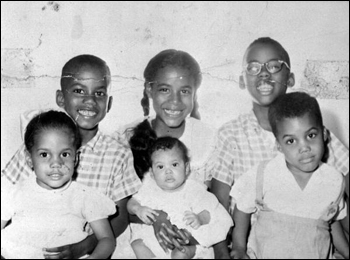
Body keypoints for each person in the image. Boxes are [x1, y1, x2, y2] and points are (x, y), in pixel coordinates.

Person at [210, 37, 349, 257]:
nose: (264, 73)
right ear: (242, 80)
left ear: (290, 78)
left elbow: (341, 187)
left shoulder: (316, 134)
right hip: (257, 244)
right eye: (253, 67)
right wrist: (227, 250)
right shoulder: (231, 134)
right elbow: (218, 202)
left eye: (274, 66)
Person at [1, 54, 142, 259]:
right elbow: (7, 194)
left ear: (108, 103)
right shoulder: (35, 146)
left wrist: (83, 247)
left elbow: (119, 219)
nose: (89, 100)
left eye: (99, 93)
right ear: (60, 98)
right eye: (78, 90)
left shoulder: (118, 154)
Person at [114, 49, 221, 258]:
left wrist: (191, 234)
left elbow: (214, 205)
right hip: (139, 240)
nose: (175, 101)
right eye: (165, 89)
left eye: (185, 91)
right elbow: (119, 208)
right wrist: (158, 219)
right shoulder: (125, 138)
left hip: (191, 240)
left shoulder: (208, 139)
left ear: (194, 93)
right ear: (149, 90)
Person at [230, 92, 348, 259]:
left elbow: (331, 220)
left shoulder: (334, 179)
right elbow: (242, 208)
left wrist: (346, 251)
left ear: (324, 134)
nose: (304, 147)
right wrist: (239, 247)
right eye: (291, 141)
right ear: (279, 146)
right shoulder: (264, 173)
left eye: (311, 136)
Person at [1, 110, 117, 259]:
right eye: (44, 154)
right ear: (29, 159)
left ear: (75, 158)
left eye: (64, 154)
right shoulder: (15, 193)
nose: (56, 163)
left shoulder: (84, 196)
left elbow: (107, 239)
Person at [127, 137, 233, 259]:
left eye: (174, 165)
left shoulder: (195, 190)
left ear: (187, 168)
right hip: (157, 240)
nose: (168, 171)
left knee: (179, 254)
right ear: (152, 173)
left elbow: (212, 212)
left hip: (188, 242)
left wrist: (200, 218)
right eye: (160, 167)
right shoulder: (150, 190)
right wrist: (137, 209)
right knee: (137, 244)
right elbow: (131, 203)